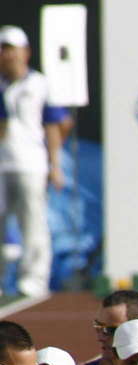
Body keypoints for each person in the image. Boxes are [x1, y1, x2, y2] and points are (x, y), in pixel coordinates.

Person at [0, 26, 71, 299]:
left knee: (33, 224)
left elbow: (56, 124)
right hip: (2, 164)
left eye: (12, 49)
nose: (8, 55)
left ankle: (33, 281)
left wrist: (55, 165)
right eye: (3, 50)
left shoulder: (40, 84)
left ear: (26, 52)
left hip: (30, 163)